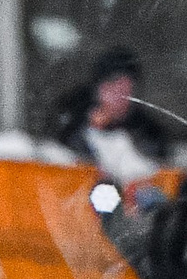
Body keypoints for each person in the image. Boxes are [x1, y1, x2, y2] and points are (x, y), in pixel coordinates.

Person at [53, 46, 171, 184]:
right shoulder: (72, 122)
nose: (119, 97)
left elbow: (153, 170)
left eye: (125, 90)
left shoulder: (149, 132)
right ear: (97, 90)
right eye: (111, 89)